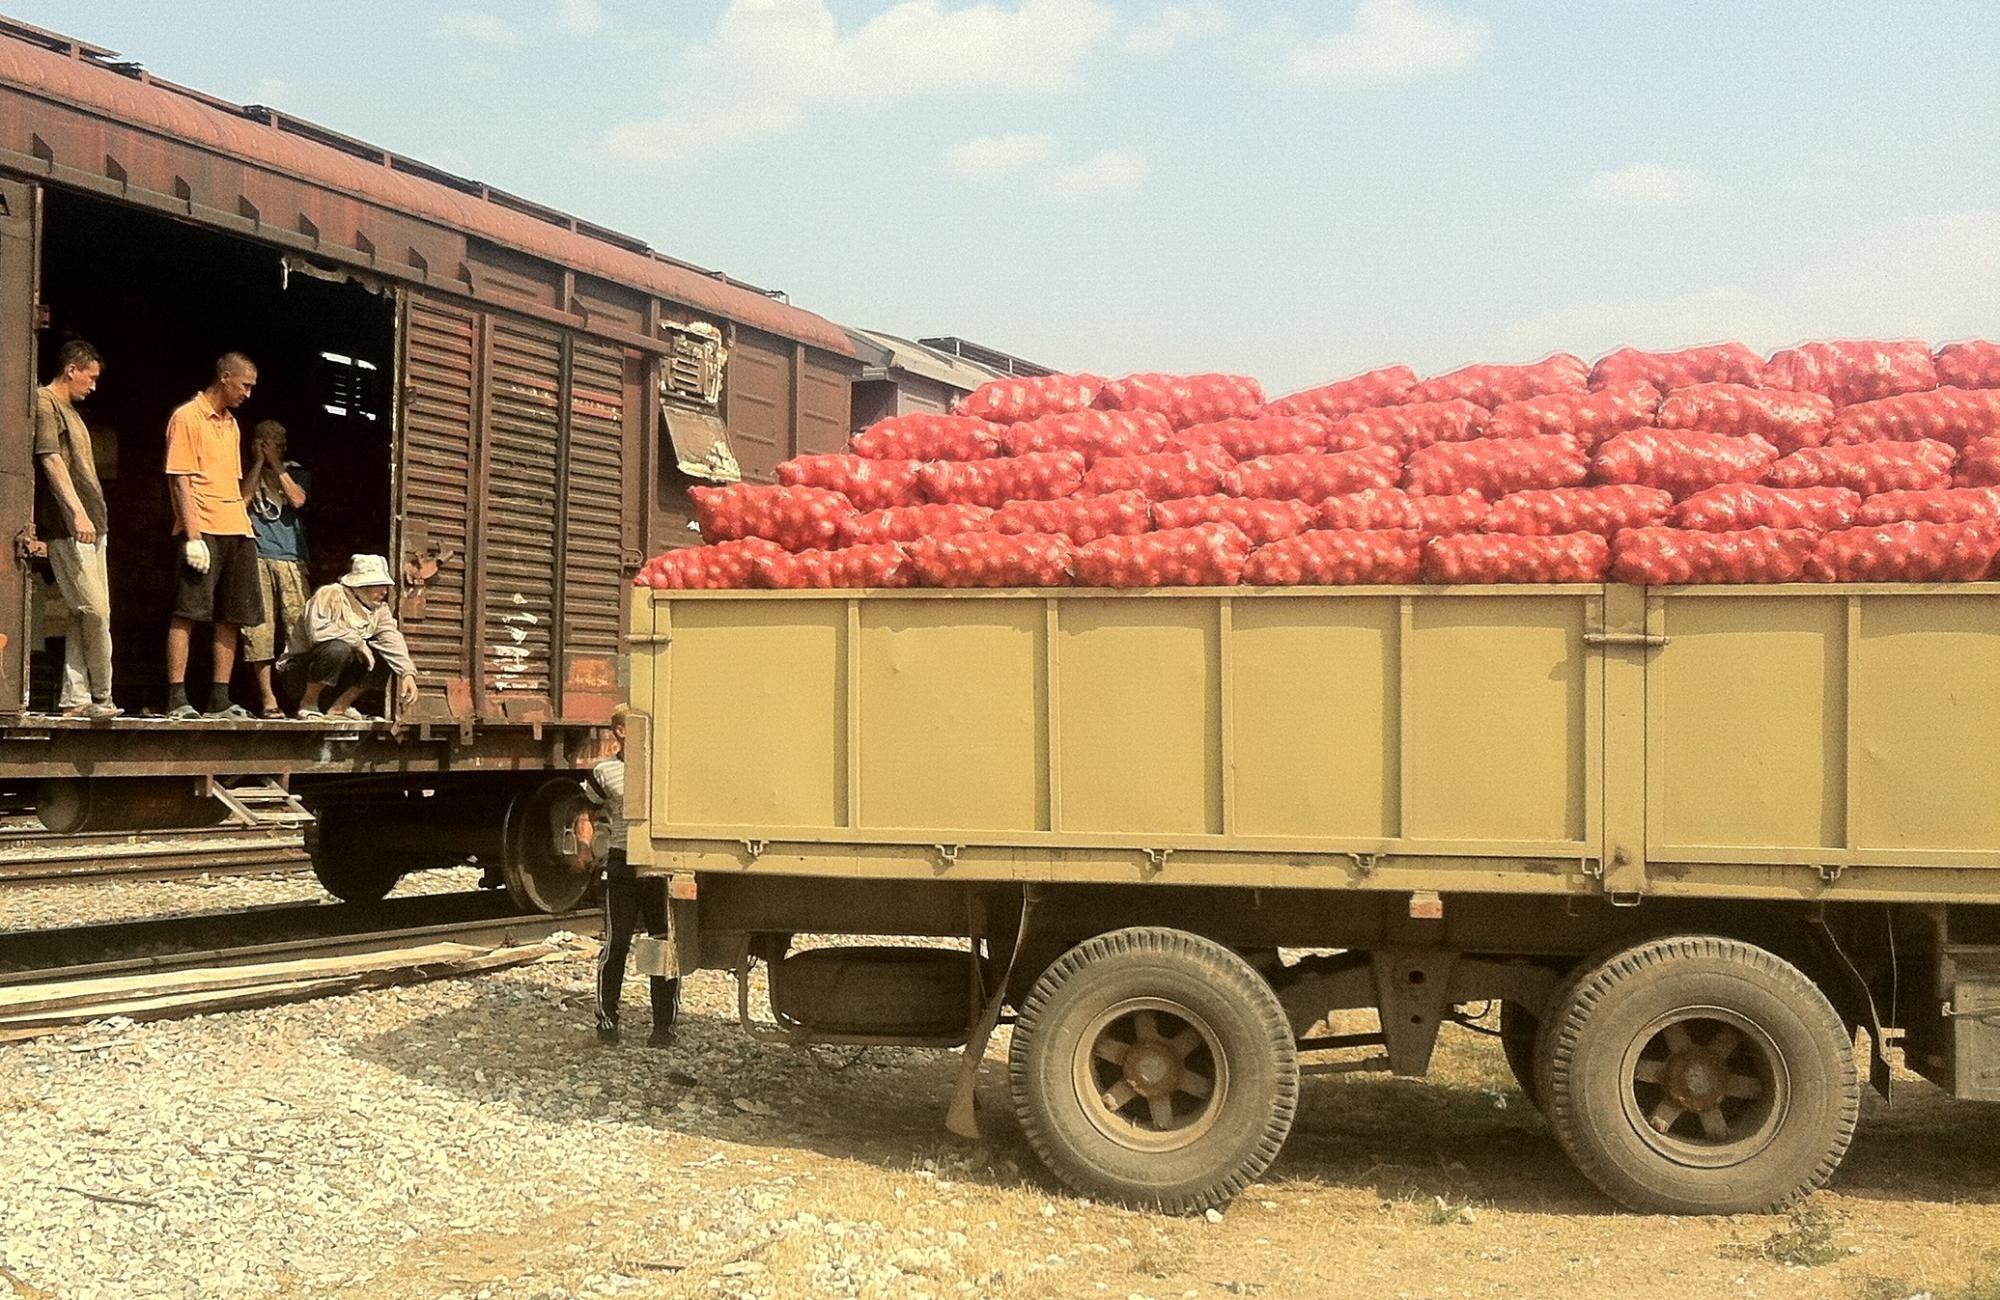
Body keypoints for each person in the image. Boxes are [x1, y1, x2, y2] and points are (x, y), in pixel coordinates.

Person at [164, 352, 266, 719]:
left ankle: (219, 699)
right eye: (245, 385)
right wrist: (192, 536)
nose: (248, 394)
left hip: (236, 527)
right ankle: (177, 698)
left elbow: (232, 483)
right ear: (225, 377)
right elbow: (179, 480)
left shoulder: (232, 424)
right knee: (188, 612)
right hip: (203, 527)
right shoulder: (187, 417)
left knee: (231, 616)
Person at [34, 339, 117, 718]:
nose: (94, 385)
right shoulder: (45, 402)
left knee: (84, 613)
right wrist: (76, 513)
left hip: (92, 526)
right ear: (72, 369)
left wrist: (91, 517)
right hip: (70, 526)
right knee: (93, 610)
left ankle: (75, 699)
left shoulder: (72, 411)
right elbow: (50, 461)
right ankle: (101, 696)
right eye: (91, 377)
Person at [592, 705, 679, 1046]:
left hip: (659, 866)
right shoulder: (603, 772)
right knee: (616, 945)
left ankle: (663, 1026)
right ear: (619, 731)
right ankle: (607, 1022)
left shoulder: (661, 770)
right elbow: (592, 809)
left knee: (661, 946)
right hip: (622, 863)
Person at [278, 554, 420, 720]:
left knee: (384, 656)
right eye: (378, 586)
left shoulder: (379, 610)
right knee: (339, 648)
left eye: (385, 586)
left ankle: (339, 708)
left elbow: (391, 639)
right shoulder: (330, 595)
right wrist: (358, 643)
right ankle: (308, 703)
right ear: (361, 585)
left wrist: (407, 673)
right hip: (301, 674)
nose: (384, 592)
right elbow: (318, 632)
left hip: (336, 679)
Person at [239, 420, 311, 718]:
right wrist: (258, 463)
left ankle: (300, 698)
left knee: (299, 628)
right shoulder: (244, 472)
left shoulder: (296, 472)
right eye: (267, 443)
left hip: (292, 558)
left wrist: (276, 464)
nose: (275, 448)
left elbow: (297, 499)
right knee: (259, 630)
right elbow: (241, 501)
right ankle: (269, 700)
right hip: (257, 557)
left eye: (279, 443)